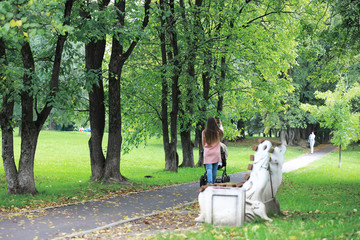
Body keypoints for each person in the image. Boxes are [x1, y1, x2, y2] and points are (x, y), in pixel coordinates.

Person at [202, 117, 224, 184]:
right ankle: (213, 183)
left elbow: (203, 143)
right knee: (214, 169)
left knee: (208, 168)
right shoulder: (217, 132)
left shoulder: (204, 132)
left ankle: (210, 183)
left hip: (208, 152)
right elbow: (222, 131)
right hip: (216, 153)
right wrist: (220, 124)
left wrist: (206, 148)